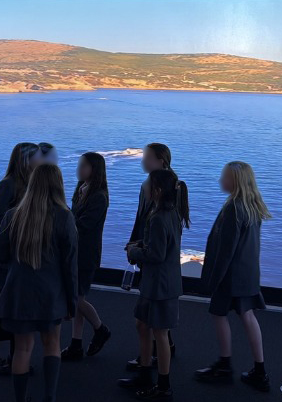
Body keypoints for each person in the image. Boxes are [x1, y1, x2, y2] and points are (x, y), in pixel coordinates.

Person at [0, 163, 79, 402]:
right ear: (58, 184)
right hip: (51, 294)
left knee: (22, 350)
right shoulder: (64, 216)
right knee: (52, 344)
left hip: (19, 292)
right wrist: (72, 302)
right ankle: (49, 398)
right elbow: (70, 265)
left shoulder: (13, 214)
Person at [194, 161, 272, 392]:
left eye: (224, 176)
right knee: (248, 317)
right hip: (247, 274)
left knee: (218, 314)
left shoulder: (233, 208)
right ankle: (260, 370)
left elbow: (225, 250)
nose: (220, 180)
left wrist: (212, 279)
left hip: (229, 276)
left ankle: (225, 364)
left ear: (235, 181)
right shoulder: (252, 206)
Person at [117, 169, 188, 400]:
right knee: (142, 325)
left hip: (159, 285)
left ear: (156, 190)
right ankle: (145, 374)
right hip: (158, 283)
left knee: (160, 333)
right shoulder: (170, 213)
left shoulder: (158, 217)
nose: (144, 186)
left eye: (147, 183)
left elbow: (156, 254)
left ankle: (163, 385)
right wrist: (140, 244)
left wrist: (134, 250)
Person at [0, 142, 40, 374]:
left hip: (22, 254)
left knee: (17, 306)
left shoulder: (31, 185)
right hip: (5, 255)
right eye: (37, 157)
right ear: (26, 160)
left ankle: (16, 357)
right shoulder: (8, 185)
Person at [62, 152, 112, 361]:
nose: (79, 169)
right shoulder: (81, 189)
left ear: (95, 169)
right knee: (78, 298)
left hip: (85, 254)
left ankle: (100, 329)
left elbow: (83, 225)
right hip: (76, 252)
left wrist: (61, 222)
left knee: (75, 298)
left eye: (83, 166)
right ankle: (76, 343)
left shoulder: (99, 196)